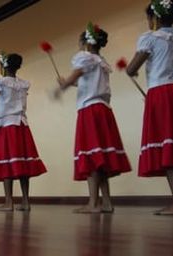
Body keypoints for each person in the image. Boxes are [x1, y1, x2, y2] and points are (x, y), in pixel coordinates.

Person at [58, 23, 131, 213]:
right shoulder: (101, 61)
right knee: (101, 157)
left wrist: (64, 84)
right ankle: (106, 202)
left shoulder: (84, 57)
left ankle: (93, 203)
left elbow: (76, 74)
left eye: (79, 42)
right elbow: (90, 84)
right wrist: (70, 83)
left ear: (86, 43)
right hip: (104, 110)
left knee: (91, 156)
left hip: (89, 111)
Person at [126, 1, 173, 215]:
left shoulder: (151, 38)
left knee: (168, 146)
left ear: (154, 19)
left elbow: (132, 67)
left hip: (162, 93)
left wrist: (131, 71)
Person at [0, 52, 47, 211]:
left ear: (4, 66)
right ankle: (25, 201)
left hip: (6, 125)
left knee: (7, 162)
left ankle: (9, 202)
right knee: (22, 163)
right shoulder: (22, 84)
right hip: (22, 125)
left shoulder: (0, 82)